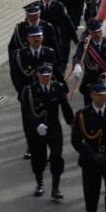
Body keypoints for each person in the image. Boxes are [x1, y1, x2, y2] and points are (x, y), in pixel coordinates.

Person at [20, 63, 74, 200]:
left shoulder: (58, 87)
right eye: (43, 76)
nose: (46, 78)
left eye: (48, 75)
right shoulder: (29, 91)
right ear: (38, 75)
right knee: (39, 159)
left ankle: (56, 188)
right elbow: (26, 112)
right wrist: (37, 125)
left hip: (53, 127)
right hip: (36, 130)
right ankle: (40, 184)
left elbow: (65, 106)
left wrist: (71, 123)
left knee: (56, 156)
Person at [71, 82, 106, 212]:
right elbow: (76, 140)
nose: (104, 97)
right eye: (101, 95)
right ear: (92, 95)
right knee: (91, 197)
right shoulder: (82, 114)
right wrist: (92, 155)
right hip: (91, 161)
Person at [71, 20, 106, 105]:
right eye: (94, 32)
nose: (97, 34)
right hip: (90, 81)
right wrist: (77, 65)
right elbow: (77, 56)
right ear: (90, 32)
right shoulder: (85, 45)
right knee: (89, 107)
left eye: (99, 31)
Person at [52, 0, 83, 64]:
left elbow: (78, 7)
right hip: (55, 23)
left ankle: (63, 64)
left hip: (68, 23)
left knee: (65, 45)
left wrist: (75, 23)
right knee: (55, 44)